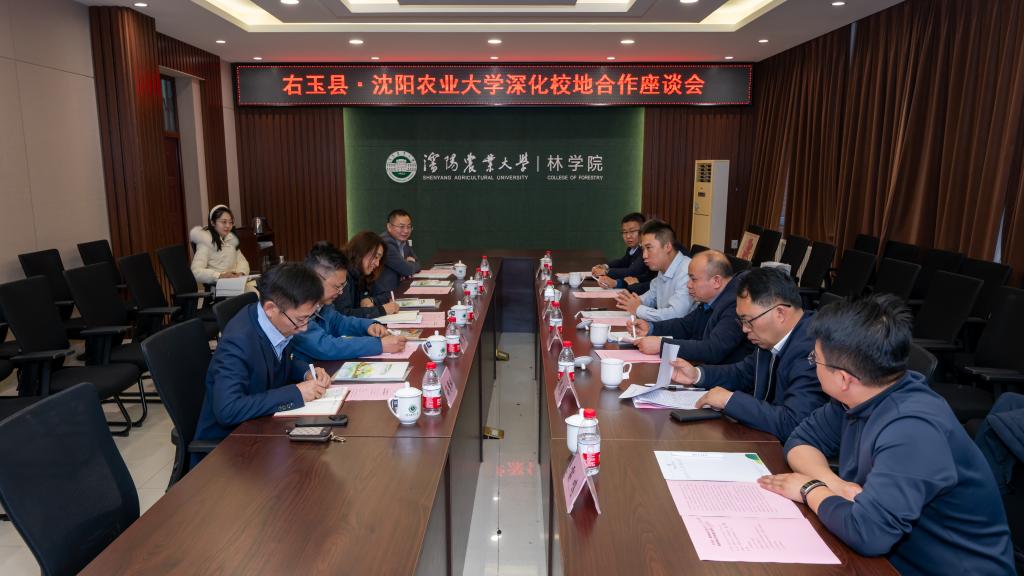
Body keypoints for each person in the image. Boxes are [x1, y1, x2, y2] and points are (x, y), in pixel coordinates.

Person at [758, 294, 1014, 575]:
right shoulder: (860, 395)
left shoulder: (913, 430)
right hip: (891, 557)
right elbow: (801, 440)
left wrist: (810, 489)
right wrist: (834, 484)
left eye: (814, 360)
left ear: (843, 378)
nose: (812, 365)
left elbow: (868, 533)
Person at [669, 267, 828, 441]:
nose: (744, 329)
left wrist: (730, 400)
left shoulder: (816, 349)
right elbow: (743, 373)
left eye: (748, 320)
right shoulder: (770, 338)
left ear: (780, 313)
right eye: (741, 321)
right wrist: (697, 375)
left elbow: (793, 422)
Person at [194, 263, 332, 453]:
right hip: (230, 447)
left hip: (264, 428)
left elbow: (281, 360)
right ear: (270, 308)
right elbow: (228, 410)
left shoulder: (274, 321)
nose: (304, 327)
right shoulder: (238, 343)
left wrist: (306, 372)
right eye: (300, 319)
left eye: (309, 317)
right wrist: (296, 393)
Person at [627, 250, 753, 365]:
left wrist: (662, 345)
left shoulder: (736, 304)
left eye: (693, 279)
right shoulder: (712, 298)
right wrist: (651, 328)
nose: (688, 285)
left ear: (716, 281)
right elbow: (686, 325)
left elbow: (713, 349)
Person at [291, 242, 406, 362]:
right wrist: (378, 345)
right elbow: (325, 346)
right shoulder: (296, 307)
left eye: (343, 286)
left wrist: (368, 326)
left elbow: (339, 322)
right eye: (337, 286)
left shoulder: (322, 303)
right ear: (316, 278)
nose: (341, 292)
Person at [614, 219, 693, 322]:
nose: (644, 255)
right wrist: (632, 300)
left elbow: (676, 315)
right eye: (643, 249)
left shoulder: (688, 271)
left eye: (649, 248)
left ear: (667, 247)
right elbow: (651, 297)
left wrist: (638, 309)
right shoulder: (663, 268)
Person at [333, 231, 400, 319]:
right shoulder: (342, 274)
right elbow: (344, 315)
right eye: (376, 257)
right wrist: (382, 310)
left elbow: (387, 295)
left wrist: (372, 300)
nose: (377, 264)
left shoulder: (363, 273)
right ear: (361, 251)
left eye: (379, 259)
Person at [592, 212, 656, 290]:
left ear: (643, 231)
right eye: (625, 232)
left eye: (632, 231)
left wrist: (606, 271)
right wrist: (605, 266)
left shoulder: (645, 251)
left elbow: (632, 272)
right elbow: (622, 262)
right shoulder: (632, 248)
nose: (628, 236)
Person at [190, 204, 250, 285]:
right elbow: (196, 271)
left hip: (235, 283)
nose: (228, 226)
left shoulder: (231, 239)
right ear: (213, 223)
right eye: (224, 222)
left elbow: (242, 261)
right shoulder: (205, 242)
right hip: (219, 286)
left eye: (230, 222)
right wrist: (219, 276)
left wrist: (241, 273)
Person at [374, 209, 421, 299]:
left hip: (398, 289)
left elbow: (418, 263)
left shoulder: (403, 241)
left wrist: (407, 265)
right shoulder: (385, 243)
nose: (406, 231)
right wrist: (409, 263)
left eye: (409, 227)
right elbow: (407, 269)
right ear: (389, 227)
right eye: (401, 226)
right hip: (383, 295)